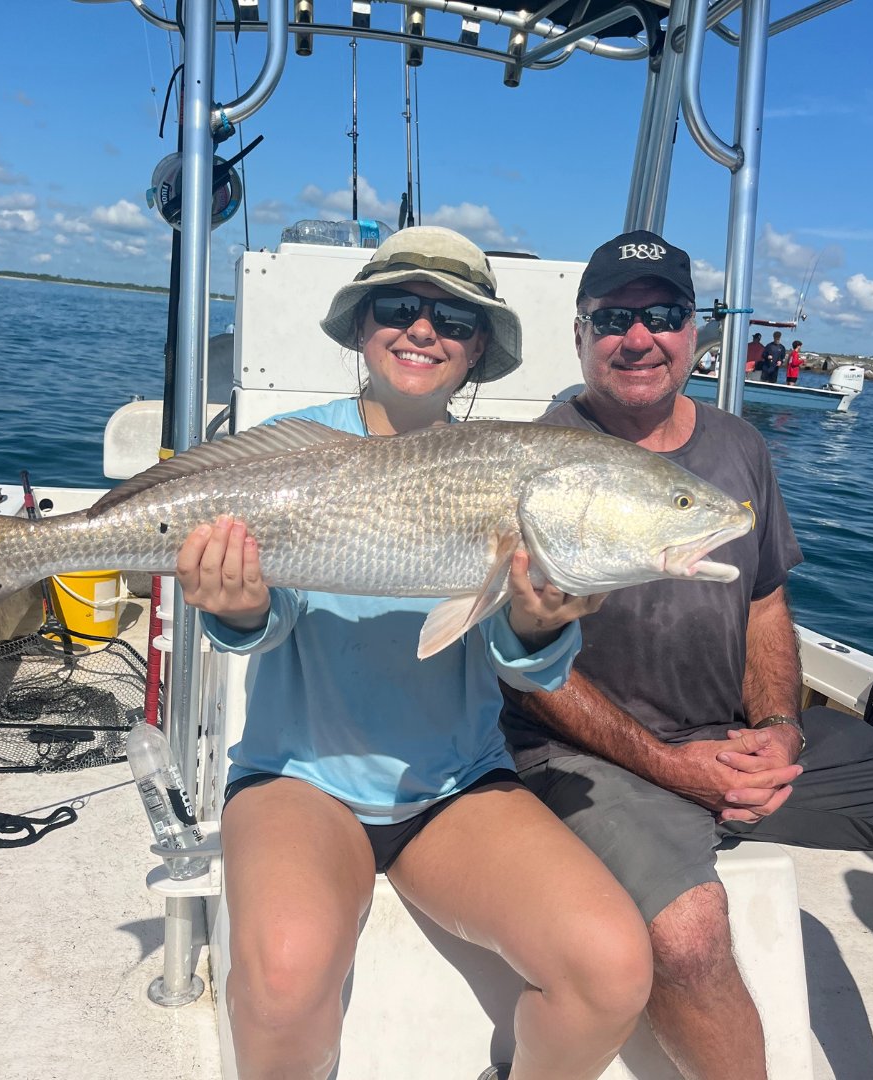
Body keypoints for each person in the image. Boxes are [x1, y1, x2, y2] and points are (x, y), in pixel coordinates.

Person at [177, 227, 652, 1080]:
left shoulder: (514, 464)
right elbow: (259, 620)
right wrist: (239, 608)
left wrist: (540, 623)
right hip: (299, 777)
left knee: (612, 969)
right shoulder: (291, 445)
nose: (423, 329)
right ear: (362, 325)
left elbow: (521, 659)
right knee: (282, 981)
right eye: (398, 306)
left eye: (456, 319)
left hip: (455, 785)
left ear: (478, 351)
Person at [500, 228, 873, 1080]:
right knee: (690, 937)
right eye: (612, 318)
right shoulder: (542, 458)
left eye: (662, 314)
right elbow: (525, 665)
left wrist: (779, 725)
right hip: (596, 758)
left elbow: (767, 602)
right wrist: (675, 767)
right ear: (581, 334)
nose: (639, 337)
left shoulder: (739, 448)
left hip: (736, 738)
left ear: (695, 329)